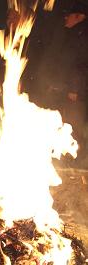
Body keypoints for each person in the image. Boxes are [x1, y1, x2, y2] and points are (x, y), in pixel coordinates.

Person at [60, 0, 88, 157]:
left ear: (79, 16)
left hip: (78, 92)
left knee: (75, 126)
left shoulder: (82, 35)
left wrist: (74, 88)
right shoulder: (78, 33)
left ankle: (77, 162)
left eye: (68, 15)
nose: (65, 18)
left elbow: (81, 64)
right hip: (77, 90)